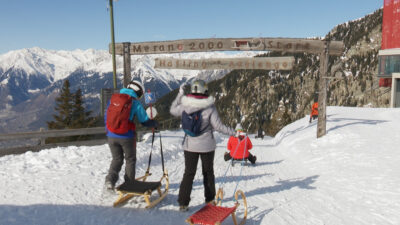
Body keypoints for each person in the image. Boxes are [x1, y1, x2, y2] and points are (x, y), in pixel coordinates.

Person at [170, 80, 236, 212]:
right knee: (208, 172)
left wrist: (180, 94)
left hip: (190, 146)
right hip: (207, 146)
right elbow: (218, 127)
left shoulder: (185, 104)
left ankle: (183, 203)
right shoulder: (209, 107)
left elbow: (172, 110)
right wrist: (234, 133)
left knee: (189, 173)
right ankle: (210, 200)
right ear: (205, 91)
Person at [104, 80, 157, 190]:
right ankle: (129, 184)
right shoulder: (135, 103)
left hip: (111, 135)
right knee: (130, 159)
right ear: (138, 92)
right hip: (126, 136)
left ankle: (110, 181)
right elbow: (144, 120)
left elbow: (107, 116)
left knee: (116, 159)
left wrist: (109, 131)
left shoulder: (113, 99)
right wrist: (154, 123)